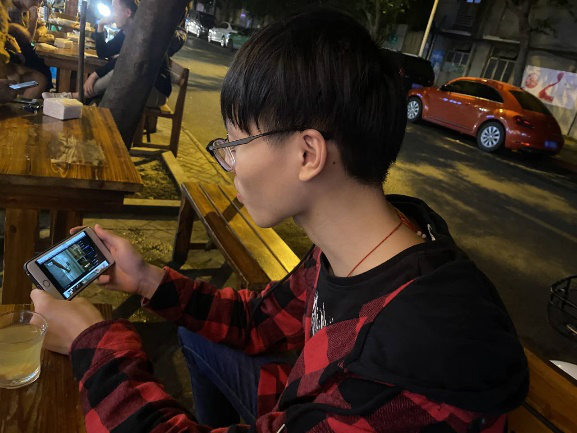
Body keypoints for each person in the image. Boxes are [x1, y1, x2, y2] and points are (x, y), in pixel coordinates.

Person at [32, 9, 529, 433]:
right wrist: (145, 279)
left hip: (314, 405)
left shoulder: (411, 367)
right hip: (299, 397)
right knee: (196, 331)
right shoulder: (358, 245)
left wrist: (92, 345)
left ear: (308, 153)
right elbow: (257, 321)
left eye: (235, 143)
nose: (228, 164)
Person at [44, 0, 171, 106]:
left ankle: (75, 97)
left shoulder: (142, 35)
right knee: (106, 91)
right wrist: (101, 25)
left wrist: (94, 75)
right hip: (139, 87)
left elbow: (122, 61)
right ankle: (78, 99)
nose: (112, 14)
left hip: (155, 93)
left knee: (117, 75)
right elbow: (103, 52)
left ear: (127, 13)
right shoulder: (126, 32)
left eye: (115, 9)